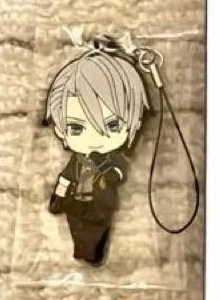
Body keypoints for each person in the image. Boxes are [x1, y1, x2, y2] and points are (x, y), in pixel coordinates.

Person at [45, 49, 148, 265]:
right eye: (76, 128)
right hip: (75, 206)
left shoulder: (112, 158)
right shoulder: (77, 160)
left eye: (112, 125)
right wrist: (58, 198)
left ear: (134, 125)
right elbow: (66, 178)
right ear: (61, 131)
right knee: (79, 234)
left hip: (100, 206)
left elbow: (116, 177)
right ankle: (82, 251)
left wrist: (100, 160)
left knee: (96, 234)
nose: (94, 139)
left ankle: (93, 253)